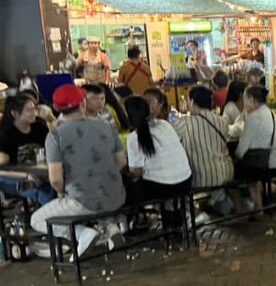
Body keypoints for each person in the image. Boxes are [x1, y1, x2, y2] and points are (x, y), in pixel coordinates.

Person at [30, 85, 126, 255]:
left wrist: (62, 192)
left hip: (83, 200)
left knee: (36, 219)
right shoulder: (106, 127)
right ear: (82, 103)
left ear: (57, 108)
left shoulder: (55, 136)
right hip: (116, 196)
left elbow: (56, 180)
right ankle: (110, 228)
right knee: (94, 200)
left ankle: (82, 234)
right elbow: (121, 161)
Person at [123, 96, 192, 229]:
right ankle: (173, 215)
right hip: (185, 181)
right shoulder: (165, 124)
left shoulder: (133, 138)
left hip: (164, 188)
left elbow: (135, 172)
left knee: (129, 184)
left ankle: (132, 221)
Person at [173, 86, 234, 219]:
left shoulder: (184, 124)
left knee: (178, 184)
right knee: (217, 187)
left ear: (192, 102)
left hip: (202, 176)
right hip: (227, 171)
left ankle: (197, 214)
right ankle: (220, 203)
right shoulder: (221, 121)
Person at [234, 86, 276, 212]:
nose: (244, 103)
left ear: (251, 100)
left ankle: (252, 209)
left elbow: (241, 149)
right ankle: (257, 206)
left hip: (268, 162)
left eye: (245, 100)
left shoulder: (254, 117)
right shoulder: (269, 112)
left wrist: (234, 159)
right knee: (249, 171)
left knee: (232, 174)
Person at [0, 93, 54, 205]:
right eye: (29, 110)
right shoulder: (6, 135)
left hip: (39, 173)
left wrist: (50, 118)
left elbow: (53, 148)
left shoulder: (39, 128)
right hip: (14, 178)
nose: (35, 113)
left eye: (35, 109)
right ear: (15, 113)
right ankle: (45, 220)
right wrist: (26, 175)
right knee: (44, 193)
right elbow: (2, 169)